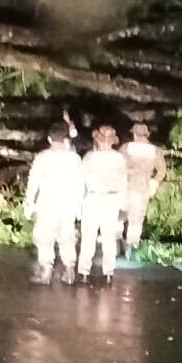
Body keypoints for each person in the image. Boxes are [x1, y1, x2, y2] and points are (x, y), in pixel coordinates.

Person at [23, 122, 85, 284]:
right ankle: (69, 270)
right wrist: (79, 207)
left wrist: (29, 203)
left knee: (45, 238)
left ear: (49, 139)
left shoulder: (43, 158)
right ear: (65, 138)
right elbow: (80, 185)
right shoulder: (75, 159)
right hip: (68, 205)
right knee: (67, 238)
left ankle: (46, 272)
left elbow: (33, 182)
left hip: (47, 204)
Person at [78, 122, 127, 285]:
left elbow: (81, 182)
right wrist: (123, 206)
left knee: (88, 237)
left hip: (92, 199)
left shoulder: (89, 157)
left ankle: (84, 272)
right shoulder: (119, 158)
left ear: (98, 140)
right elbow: (123, 183)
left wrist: (79, 205)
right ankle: (108, 273)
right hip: (111, 200)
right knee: (109, 238)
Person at [121, 121, 168, 260]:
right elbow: (162, 171)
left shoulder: (126, 147)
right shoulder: (155, 150)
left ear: (134, 134)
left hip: (127, 186)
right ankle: (132, 245)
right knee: (137, 218)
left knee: (122, 215)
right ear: (147, 135)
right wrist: (154, 182)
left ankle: (118, 243)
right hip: (143, 188)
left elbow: (118, 165)